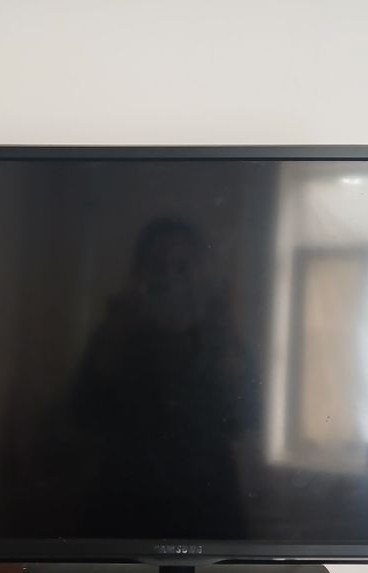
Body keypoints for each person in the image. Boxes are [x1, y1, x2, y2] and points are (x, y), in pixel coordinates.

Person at [72, 218, 258, 538]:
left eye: (183, 268)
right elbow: (83, 416)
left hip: (209, 515)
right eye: (157, 267)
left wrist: (222, 329)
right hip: (120, 515)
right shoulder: (116, 332)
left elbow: (247, 419)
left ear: (201, 275)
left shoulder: (220, 336)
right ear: (138, 274)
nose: (169, 278)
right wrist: (117, 329)